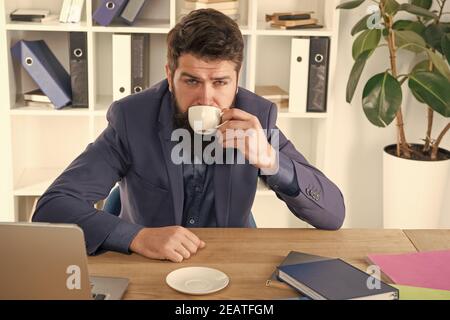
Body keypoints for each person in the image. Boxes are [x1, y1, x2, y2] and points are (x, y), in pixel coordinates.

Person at [33, 9, 345, 263]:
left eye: (221, 82)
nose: (206, 98)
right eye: (192, 81)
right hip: (150, 262)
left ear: (237, 80)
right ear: (170, 76)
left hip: (228, 262)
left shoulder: (256, 118)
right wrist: (137, 237)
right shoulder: (132, 119)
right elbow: (52, 208)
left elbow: (333, 213)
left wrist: (271, 160)